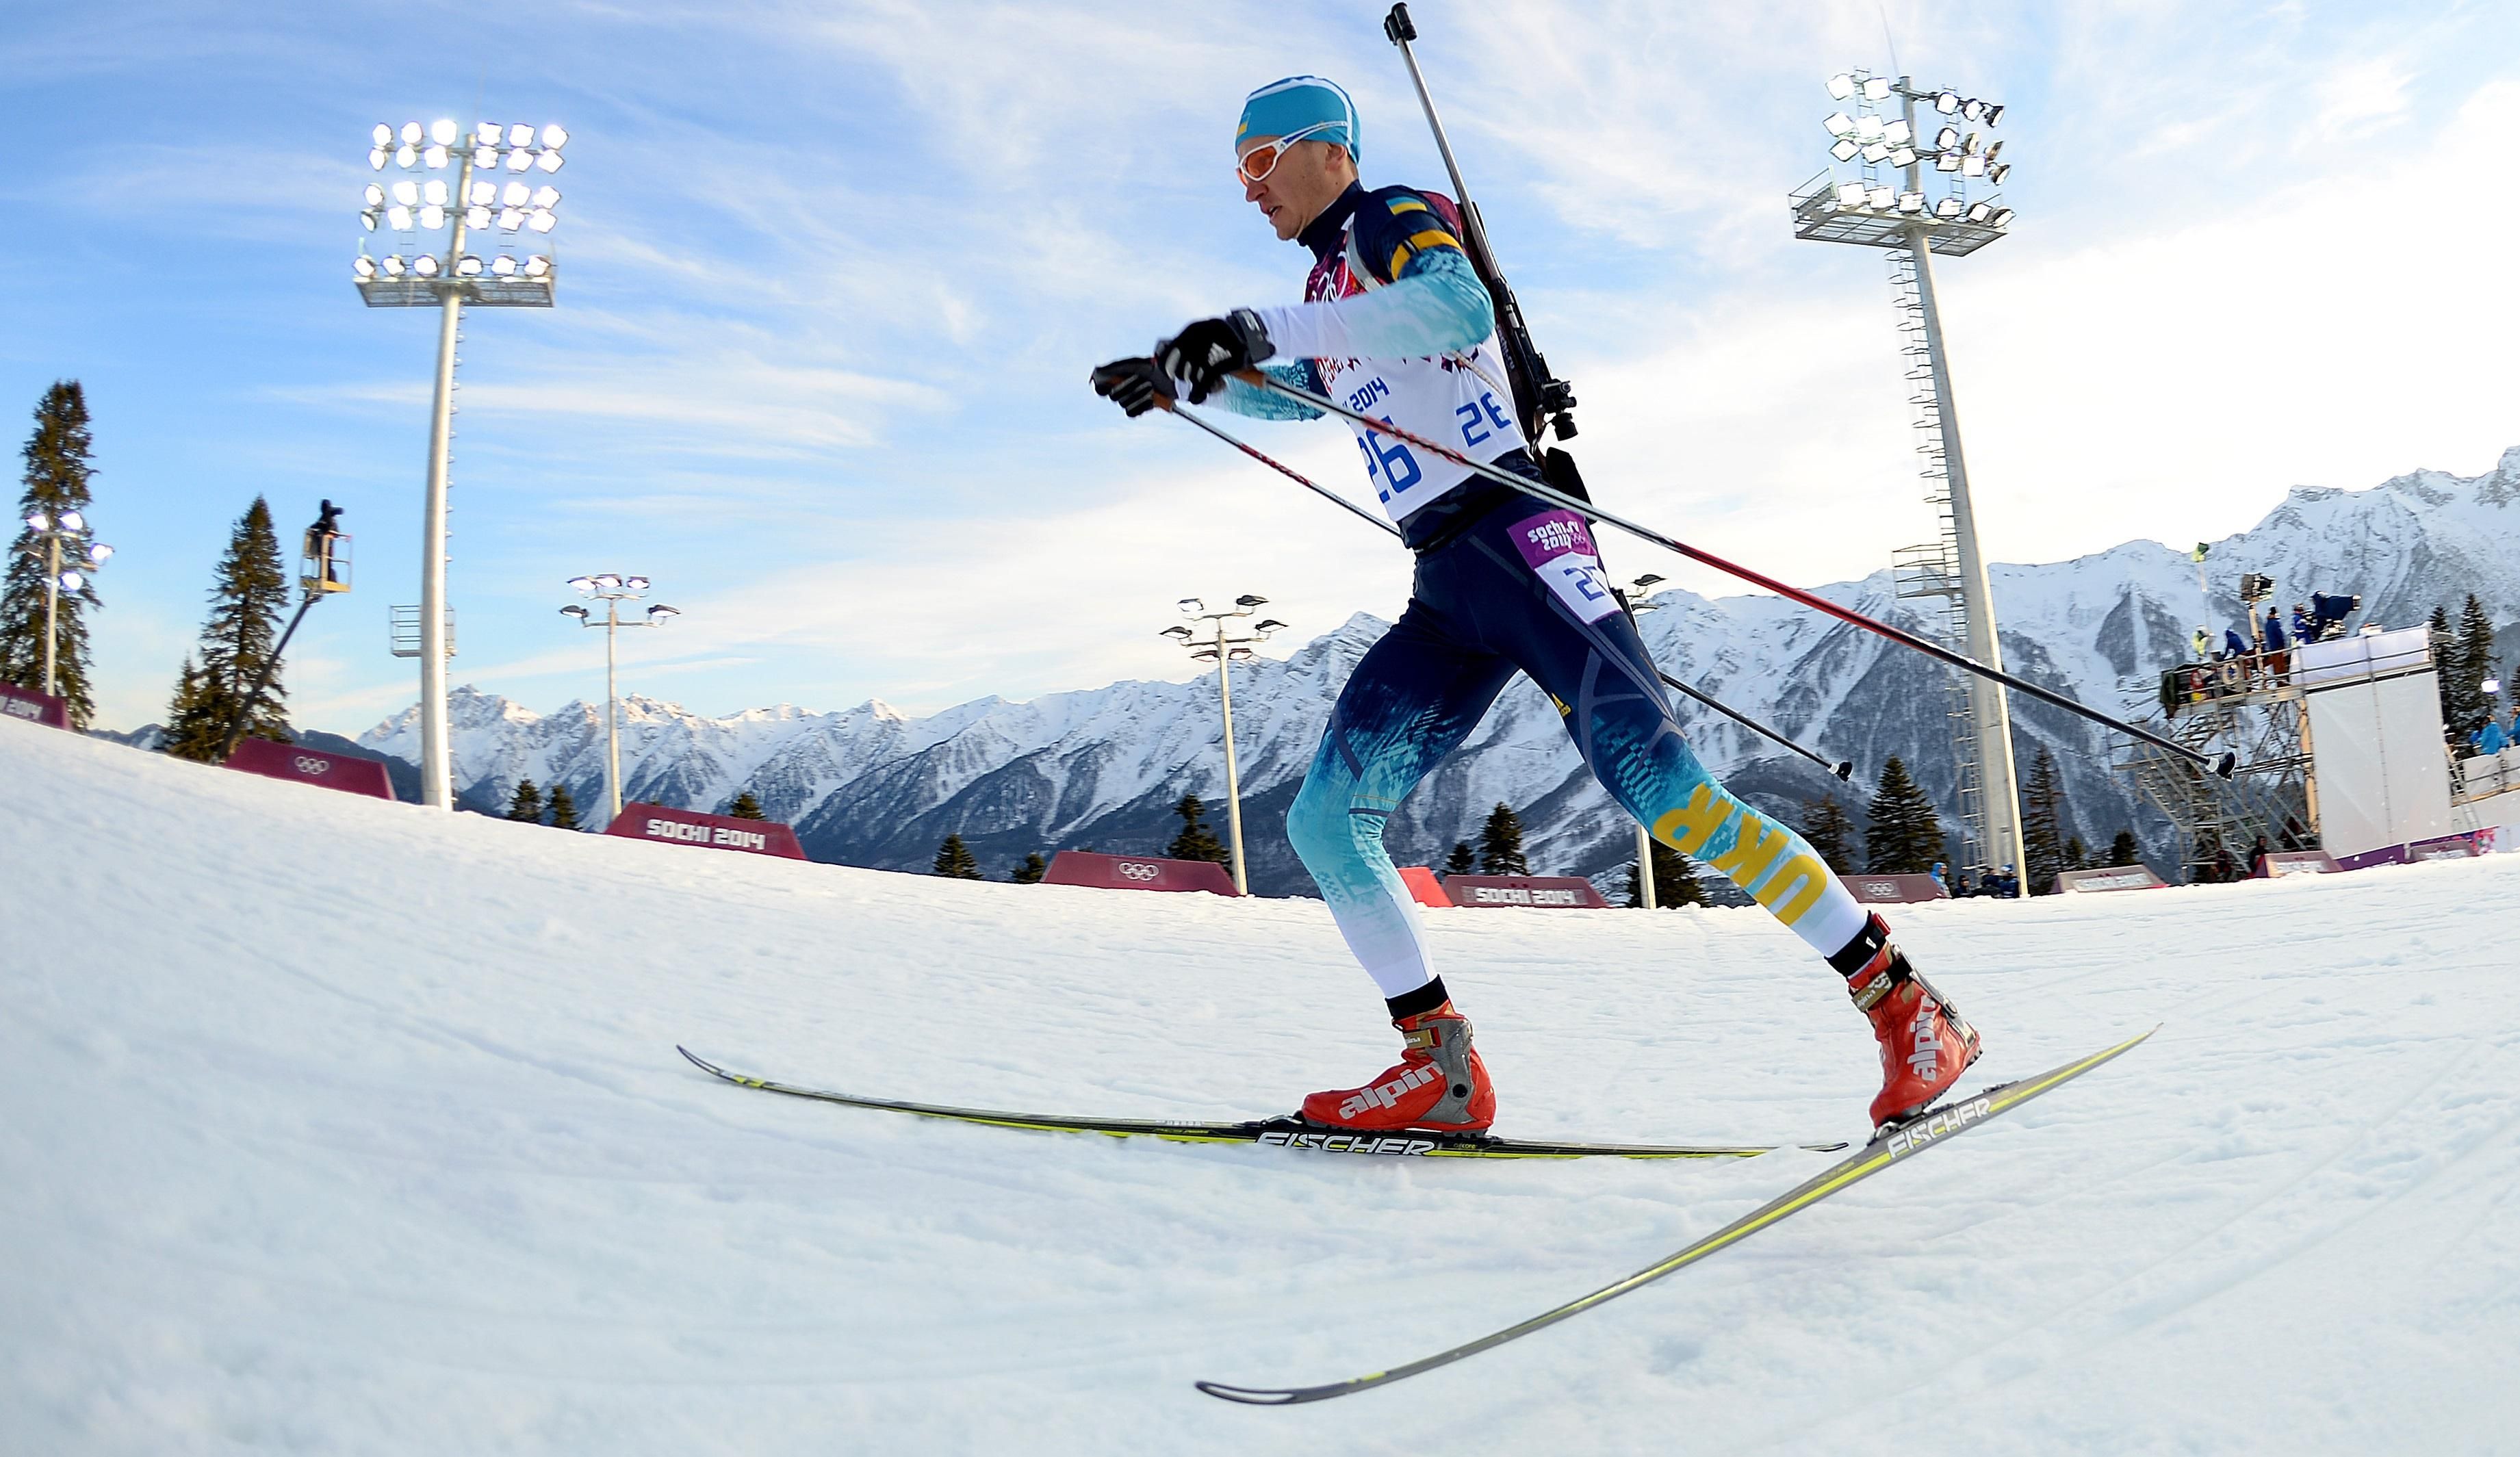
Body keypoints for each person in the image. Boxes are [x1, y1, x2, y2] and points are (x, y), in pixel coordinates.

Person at [1090, 76, 1979, 1136]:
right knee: (1326, 819)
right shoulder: (1332, 285)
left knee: (1672, 800)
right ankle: (1437, 1064)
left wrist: (1250, 324)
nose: (1247, 192)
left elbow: (1455, 305)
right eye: (1236, 171)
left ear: (1327, 150)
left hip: (1521, 538)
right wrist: (1194, 378)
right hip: (1446, 583)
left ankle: (1908, 1006)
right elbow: (1307, 389)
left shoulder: (1388, 217)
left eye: (1257, 162)